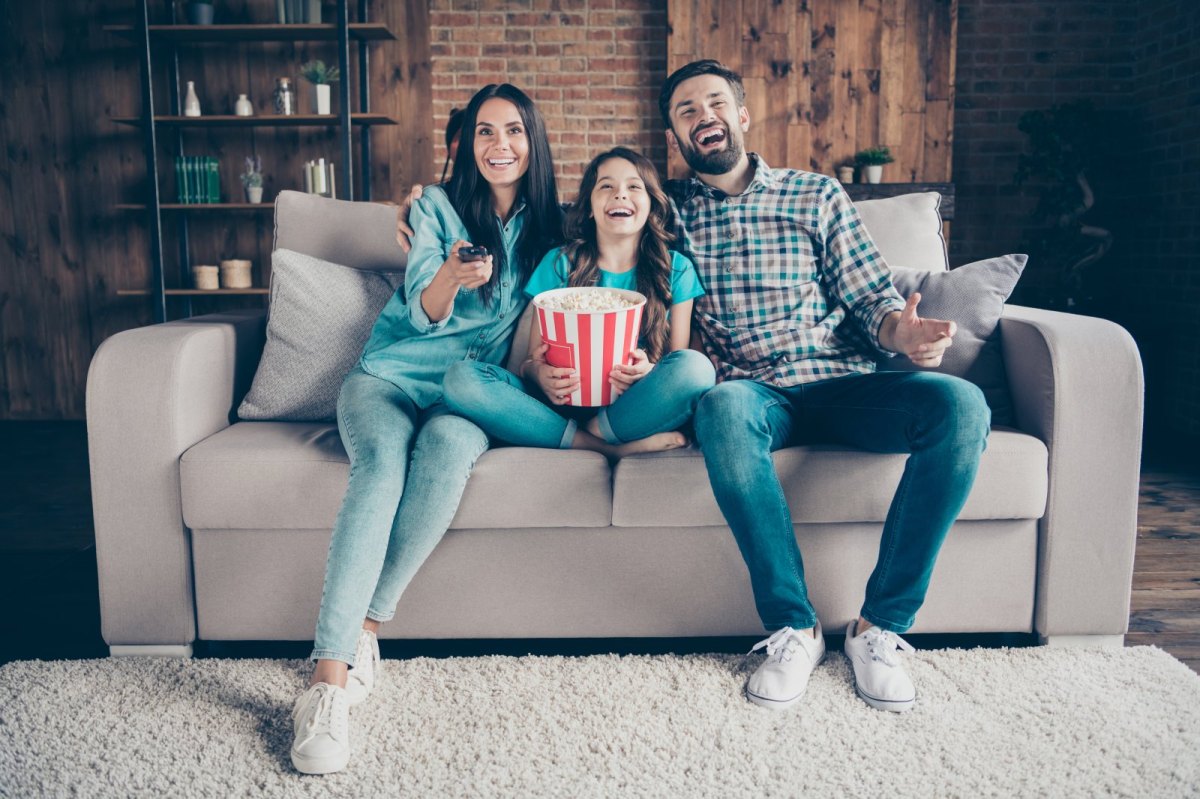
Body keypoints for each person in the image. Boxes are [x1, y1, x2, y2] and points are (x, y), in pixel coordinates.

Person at [657, 60, 991, 713]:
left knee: (961, 406)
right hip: (754, 393)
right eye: (687, 112)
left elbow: (871, 299)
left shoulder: (815, 195)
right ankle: (795, 627)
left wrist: (904, 333)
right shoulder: (667, 214)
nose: (704, 118)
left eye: (714, 103)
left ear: (743, 115)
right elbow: (598, 239)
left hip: (841, 380)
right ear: (675, 134)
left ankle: (879, 627)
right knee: (721, 405)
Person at [290, 83, 564, 775]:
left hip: (467, 397)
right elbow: (422, 312)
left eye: (513, 132)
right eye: (484, 133)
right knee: (380, 467)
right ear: (466, 145)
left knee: (445, 454)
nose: (499, 145)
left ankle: (367, 625)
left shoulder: (552, 231)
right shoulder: (436, 207)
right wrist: (449, 271)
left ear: (534, 141)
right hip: (388, 378)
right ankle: (326, 683)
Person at [442, 146, 715, 457]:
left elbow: (674, 363)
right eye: (606, 186)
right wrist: (539, 375)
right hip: (558, 408)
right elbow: (532, 362)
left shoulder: (676, 270)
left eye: (634, 187)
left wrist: (648, 372)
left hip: (633, 406)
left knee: (696, 368)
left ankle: (595, 434)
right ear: (588, 206)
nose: (620, 195)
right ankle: (605, 449)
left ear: (652, 204)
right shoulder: (559, 263)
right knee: (460, 378)